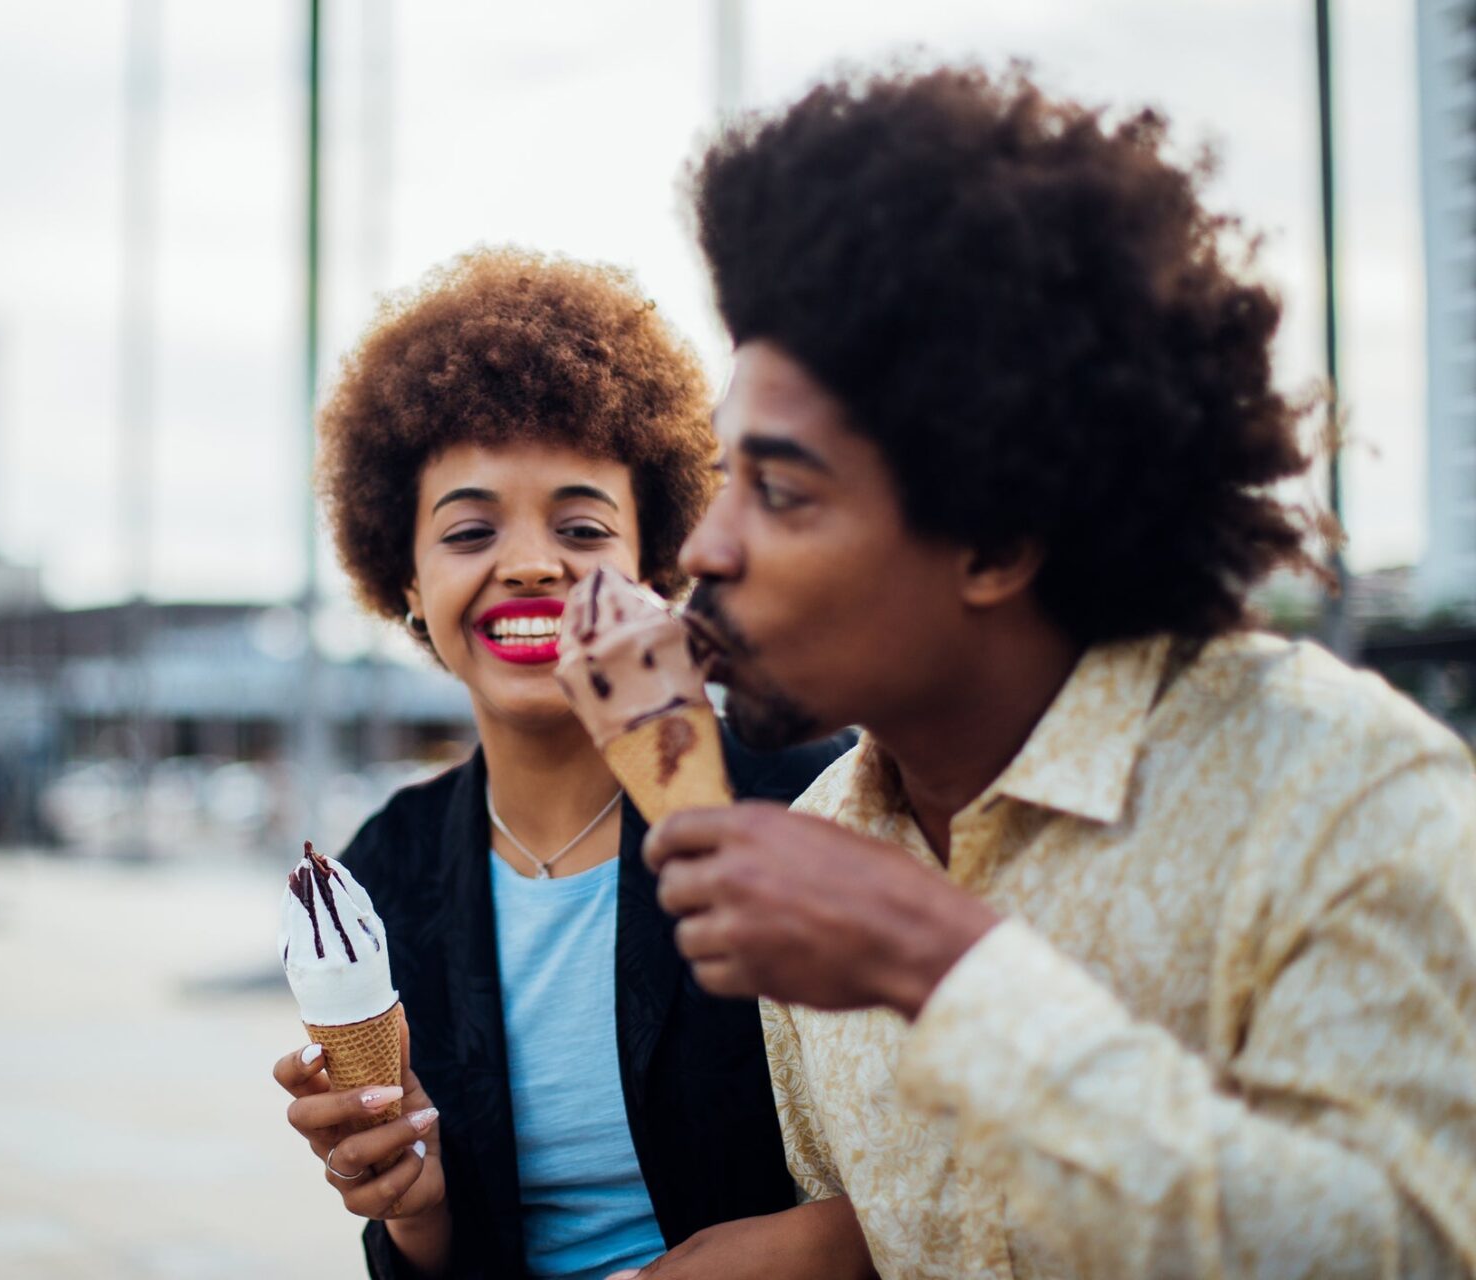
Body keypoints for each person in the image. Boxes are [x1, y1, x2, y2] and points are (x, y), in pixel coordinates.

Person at [620, 64, 1476, 1279]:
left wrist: (943, 963)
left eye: (781, 490)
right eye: (721, 478)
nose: (704, 547)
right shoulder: (822, 837)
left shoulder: (1344, 792)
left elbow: (1411, 1251)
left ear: (998, 538)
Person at [269, 249, 847, 1280]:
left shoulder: (812, 797)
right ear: (407, 579)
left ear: (655, 565)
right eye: (471, 528)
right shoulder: (387, 867)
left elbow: (943, 1166)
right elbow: (435, 1257)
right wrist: (414, 1205)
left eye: (581, 526)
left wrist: (799, 1249)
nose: (532, 561)